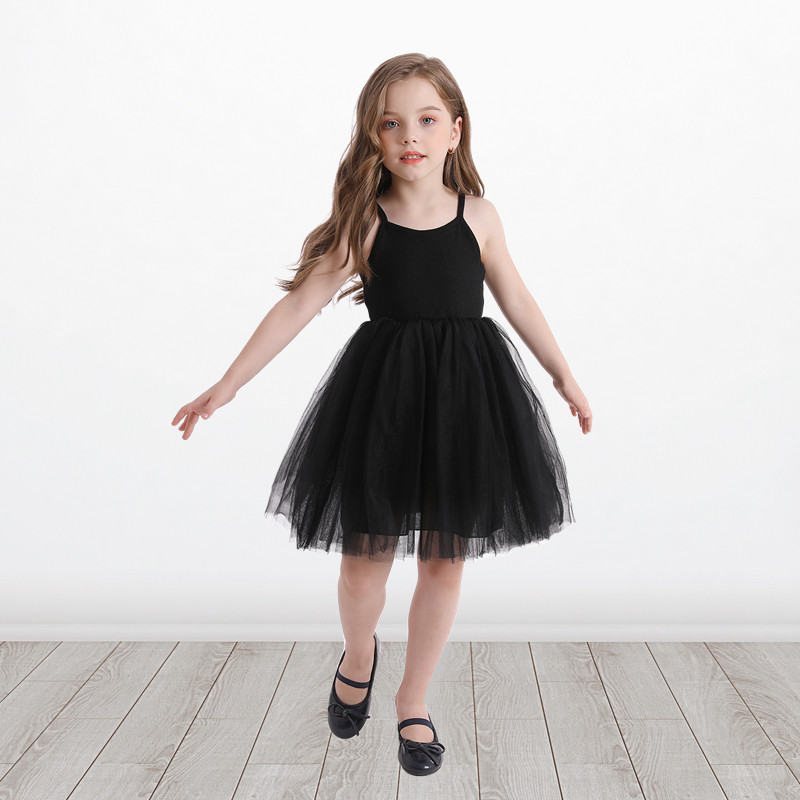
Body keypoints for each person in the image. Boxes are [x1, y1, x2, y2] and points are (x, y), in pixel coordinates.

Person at [172, 52, 592, 778]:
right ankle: (358, 651)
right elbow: (300, 304)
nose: (410, 136)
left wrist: (563, 374)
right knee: (364, 561)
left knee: (444, 560)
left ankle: (413, 697)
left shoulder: (480, 217)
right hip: (384, 406)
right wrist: (228, 384)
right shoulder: (366, 223)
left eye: (427, 120)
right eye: (391, 123)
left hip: (465, 403)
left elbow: (517, 297)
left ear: (455, 131)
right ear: (372, 135)